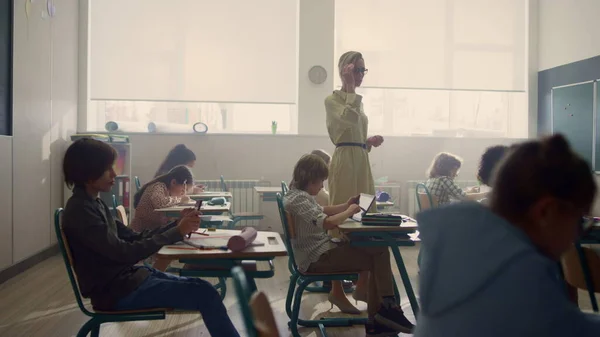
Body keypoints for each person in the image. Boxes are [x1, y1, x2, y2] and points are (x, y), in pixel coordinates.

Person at [414, 134, 600, 337]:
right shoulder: (523, 274)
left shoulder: (459, 249)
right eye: (580, 220)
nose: (577, 233)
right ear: (546, 212)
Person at [61, 138, 240, 337]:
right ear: (88, 175)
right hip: (118, 292)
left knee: (203, 288)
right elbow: (124, 252)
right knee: (205, 293)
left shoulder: (94, 204)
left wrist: (176, 225)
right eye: (107, 169)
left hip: (128, 280)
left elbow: (133, 236)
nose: (115, 174)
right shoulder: (81, 212)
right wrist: (176, 232)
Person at [284, 154, 414, 336]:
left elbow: (323, 211)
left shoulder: (298, 196)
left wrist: (346, 205)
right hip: (316, 258)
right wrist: (349, 211)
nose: (322, 186)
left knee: (376, 250)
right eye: (320, 181)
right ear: (310, 178)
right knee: (378, 253)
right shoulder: (298, 200)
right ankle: (385, 312)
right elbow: (327, 223)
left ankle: (384, 313)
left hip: (319, 252)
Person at [325, 51, 383, 306]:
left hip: (360, 159)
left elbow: (354, 129)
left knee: (366, 215)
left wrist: (367, 142)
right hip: (344, 162)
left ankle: (362, 284)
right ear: (344, 70)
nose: (360, 75)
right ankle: (336, 289)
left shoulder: (355, 100)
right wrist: (349, 87)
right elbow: (346, 119)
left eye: (362, 70)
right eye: (356, 70)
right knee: (343, 220)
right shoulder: (333, 99)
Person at [131, 165, 193, 232]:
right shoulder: (158, 186)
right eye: (183, 190)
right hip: (140, 233)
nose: (183, 193)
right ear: (173, 182)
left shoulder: (166, 191)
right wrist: (180, 200)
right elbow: (159, 202)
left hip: (151, 231)